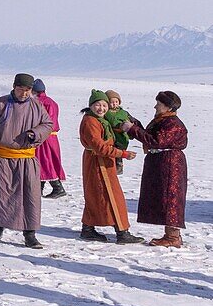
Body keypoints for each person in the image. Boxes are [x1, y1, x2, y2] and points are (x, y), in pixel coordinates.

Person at [0, 73, 54, 249]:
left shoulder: (36, 106)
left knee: (30, 197)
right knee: (1, 195)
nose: (24, 93)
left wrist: (35, 133)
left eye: (28, 90)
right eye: (21, 89)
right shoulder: (1, 104)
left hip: (26, 159)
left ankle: (30, 235)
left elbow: (48, 125)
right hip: (3, 158)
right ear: (14, 87)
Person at [121, 91, 188, 247]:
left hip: (171, 165)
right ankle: (171, 236)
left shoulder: (173, 124)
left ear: (168, 107)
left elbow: (156, 140)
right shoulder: (163, 120)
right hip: (162, 163)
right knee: (165, 198)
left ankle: (173, 237)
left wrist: (132, 129)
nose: (155, 106)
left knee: (171, 199)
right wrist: (135, 124)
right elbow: (150, 134)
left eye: (159, 104)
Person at [78, 90, 141, 243]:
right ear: (91, 105)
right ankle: (122, 232)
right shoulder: (90, 122)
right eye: (98, 105)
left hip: (102, 162)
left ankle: (88, 228)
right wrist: (123, 154)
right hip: (98, 162)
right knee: (112, 196)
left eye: (104, 105)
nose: (101, 108)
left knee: (96, 195)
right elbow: (99, 146)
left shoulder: (100, 120)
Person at [32, 79, 67, 197]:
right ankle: (39, 188)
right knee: (47, 161)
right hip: (52, 138)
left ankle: (57, 187)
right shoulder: (52, 102)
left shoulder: (38, 102)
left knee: (44, 161)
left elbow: (44, 121)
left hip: (43, 137)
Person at [103, 90, 133, 175]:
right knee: (114, 153)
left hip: (123, 136)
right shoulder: (107, 112)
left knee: (120, 151)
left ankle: (118, 168)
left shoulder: (123, 112)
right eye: (112, 102)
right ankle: (115, 169)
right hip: (113, 136)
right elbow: (112, 122)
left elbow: (130, 120)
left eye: (116, 102)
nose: (114, 104)